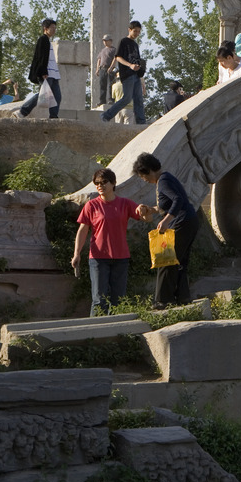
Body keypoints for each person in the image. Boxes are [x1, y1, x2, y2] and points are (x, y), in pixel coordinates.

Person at [71, 168, 146, 316]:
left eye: (104, 182)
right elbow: (82, 230)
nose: (100, 186)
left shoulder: (125, 203)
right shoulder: (91, 205)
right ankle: (95, 329)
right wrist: (76, 253)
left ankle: (117, 329)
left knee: (118, 300)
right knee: (99, 299)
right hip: (98, 258)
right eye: (97, 183)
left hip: (121, 257)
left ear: (113, 183)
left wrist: (146, 210)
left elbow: (145, 218)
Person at [133, 152, 198, 307]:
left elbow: (177, 200)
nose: (144, 179)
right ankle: (182, 297)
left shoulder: (163, 181)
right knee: (179, 261)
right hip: (188, 221)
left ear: (148, 170)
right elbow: (166, 205)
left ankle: (163, 300)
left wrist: (166, 220)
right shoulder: (165, 179)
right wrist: (151, 209)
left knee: (166, 260)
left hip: (182, 222)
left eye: (143, 176)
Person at [101, 21, 146, 124]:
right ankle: (106, 115)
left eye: (139, 32)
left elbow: (137, 59)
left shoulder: (135, 45)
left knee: (139, 99)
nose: (137, 33)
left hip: (136, 75)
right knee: (127, 98)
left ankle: (141, 122)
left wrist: (140, 68)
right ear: (129, 30)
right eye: (135, 31)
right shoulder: (124, 41)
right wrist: (130, 65)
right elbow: (118, 57)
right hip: (127, 74)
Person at [18, 19, 61, 119]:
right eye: (52, 28)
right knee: (43, 94)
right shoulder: (43, 39)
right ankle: (23, 111)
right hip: (47, 72)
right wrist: (43, 71)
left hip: (54, 73)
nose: (54, 30)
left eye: (55, 28)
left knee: (57, 96)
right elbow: (41, 57)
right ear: (45, 28)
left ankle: (53, 116)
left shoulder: (48, 41)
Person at [95, 35, 116, 106]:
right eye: (104, 41)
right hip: (102, 68)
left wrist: (111, 67)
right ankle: (102, 100)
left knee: (111, 84)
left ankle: (111, 100)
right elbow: (99, 59)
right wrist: (97, 69)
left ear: (110, 41)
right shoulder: (102, 50)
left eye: (106, 40)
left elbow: (115, 59)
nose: (105, 42)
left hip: (110, 68)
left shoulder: (113, 50)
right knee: (102, 85)